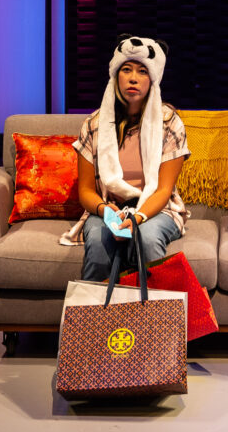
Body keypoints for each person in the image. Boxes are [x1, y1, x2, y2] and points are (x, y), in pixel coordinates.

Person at [62, 35, 191, 282]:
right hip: (108, 207)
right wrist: (105, 211)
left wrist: (137, 218)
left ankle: (154, 307)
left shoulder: (169, 123)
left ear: (153, 78)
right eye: (126, 69)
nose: (133, 78)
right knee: (99, 243)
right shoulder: (93, 124)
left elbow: (164, 190)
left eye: (142, 71)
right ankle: (96, 306)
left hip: (156, 209)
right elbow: (86, 191)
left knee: (147, 238)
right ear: (115, 75)